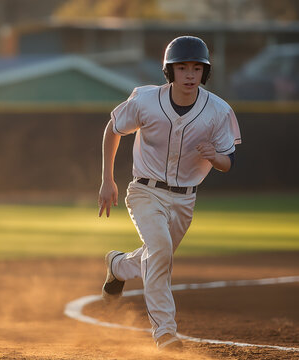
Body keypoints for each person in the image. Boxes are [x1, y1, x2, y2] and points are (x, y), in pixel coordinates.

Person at [98, 36, 241, 352]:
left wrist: (214, 155)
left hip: (185, 200)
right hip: (145, 191)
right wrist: (107, 179)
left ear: (204, 72)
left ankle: (119, 266)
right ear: (170, 71)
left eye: (196, 68)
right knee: (160, 250)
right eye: (182, 67)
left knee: (156, 255)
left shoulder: (217, 110)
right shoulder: (147, 101)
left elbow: (228, 162)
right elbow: (113, 128)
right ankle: (165, 333)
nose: (189, 75)